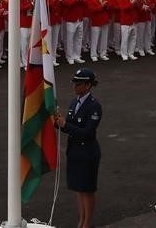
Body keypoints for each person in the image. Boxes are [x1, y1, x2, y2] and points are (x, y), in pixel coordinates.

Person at [53, 68, 102, 228]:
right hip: (74, 151)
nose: (75, 86)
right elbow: (68, 126)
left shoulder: (94, 106)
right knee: (79, 189)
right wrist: (56, 122)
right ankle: (81, 220)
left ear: (88, 85)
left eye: (78, 84)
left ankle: (87, 223)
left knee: (87, 189)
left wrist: (65, 124)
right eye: (74, 83)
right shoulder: (75, 102)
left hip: (87, 152)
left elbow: (87, 132)